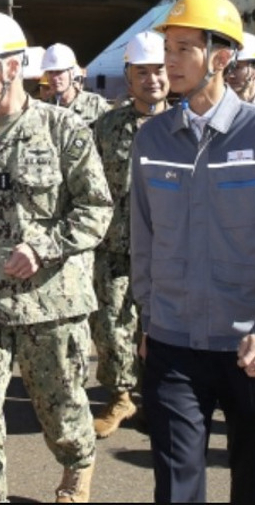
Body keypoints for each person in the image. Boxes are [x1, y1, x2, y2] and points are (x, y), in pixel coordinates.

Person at [130, 0, 255, 503]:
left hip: (249, 346)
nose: (169, 63)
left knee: (248, 482)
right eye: (167, 48)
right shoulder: (152, 141)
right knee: (175, 487)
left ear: (221, 56)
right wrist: (149, 320)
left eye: (183, 49)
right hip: (172, 344)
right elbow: (143, 240)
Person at [0, 10, 112, 502]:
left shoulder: (64, 130)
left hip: (50, 303)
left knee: (61, 414)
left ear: (12, 68)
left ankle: (77, 466)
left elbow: (97, 208)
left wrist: (43, 246)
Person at [90, 31, 170, 439]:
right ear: (129, 75)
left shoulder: (185, 124)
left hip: (171, 250)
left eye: (158, 70)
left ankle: (158, 398)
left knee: (164, 327)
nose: (152, 79)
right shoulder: (106, 127)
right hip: (116, 248)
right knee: (110, 324)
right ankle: (121, 396)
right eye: (143, 72)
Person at [40, 43, 111, 126]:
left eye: (59, 71)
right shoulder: (43, 110)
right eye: (50, 72)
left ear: (72, 73)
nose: (54, 77)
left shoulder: (96, 105)